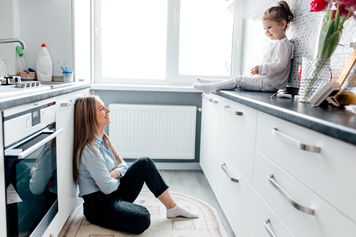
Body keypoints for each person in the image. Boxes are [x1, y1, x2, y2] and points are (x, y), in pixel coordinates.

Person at [72, 95, 198, 235]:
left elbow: (123, 164)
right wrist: (115, 178)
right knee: (143, 218)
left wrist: (115, 173)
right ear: (89, 117)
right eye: (102, 109)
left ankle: (172, 207)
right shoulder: (89, 151)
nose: (108, 110)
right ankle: (125, 206)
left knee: (145, 163)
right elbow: (107, 188)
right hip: (98, 205)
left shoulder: (104, 140)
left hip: (113, 191)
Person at [193, 1, 294, 94]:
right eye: (264, 28)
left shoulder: (283, 45)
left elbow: (280, 65)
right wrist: (260, 71)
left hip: (271, 84)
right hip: (268, 81)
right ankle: (212, 83)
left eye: (269, 27)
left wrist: (261, 69)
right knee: (240, 79)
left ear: (282, 24)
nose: (266, 32)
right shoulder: (278, 44)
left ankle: (210, 87)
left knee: (238, 80)